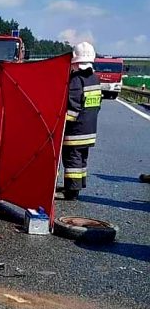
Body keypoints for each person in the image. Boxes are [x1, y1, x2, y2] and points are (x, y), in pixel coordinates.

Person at [61, 41, 101, 200]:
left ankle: (72, 190)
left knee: (72, 160)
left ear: (75, 62)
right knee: (82, 159)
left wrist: (61, 123)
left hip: (75, 131)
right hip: (90, 128)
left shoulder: (76, 80)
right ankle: (79, 183)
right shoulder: (95, 79)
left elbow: (73, 107)